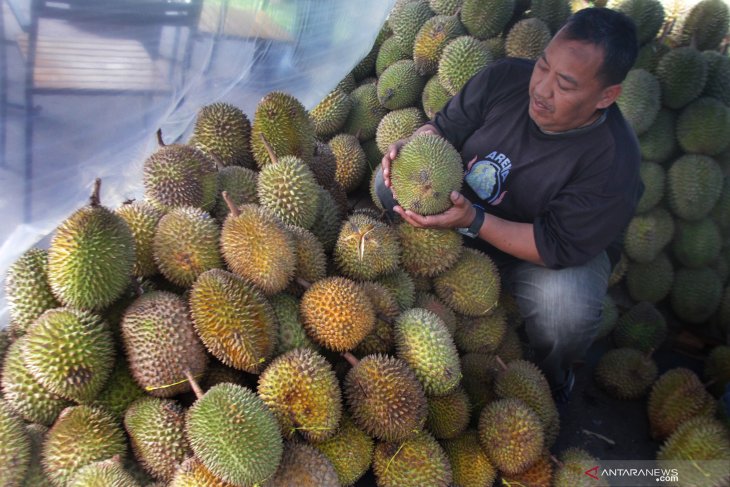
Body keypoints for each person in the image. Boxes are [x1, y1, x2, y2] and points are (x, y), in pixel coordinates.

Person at [380, 7, 642, 402]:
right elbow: (443, 129)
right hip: (463, 211)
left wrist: (473, 220)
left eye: (565, 85)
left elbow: (554, 245)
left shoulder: (613, 162)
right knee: (387, 189)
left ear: (606, 96)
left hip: (540, 251)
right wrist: (413, 146)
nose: (541, 89)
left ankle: (553, 376)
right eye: (543, 66)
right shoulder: (504, 78)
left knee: (563, 310)